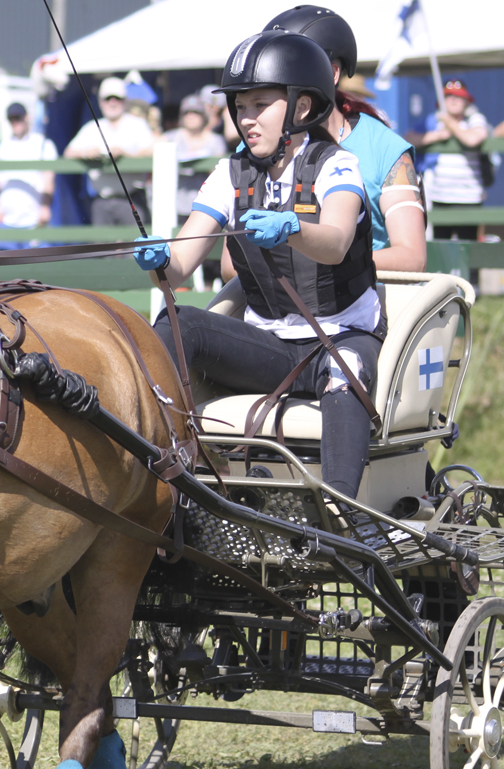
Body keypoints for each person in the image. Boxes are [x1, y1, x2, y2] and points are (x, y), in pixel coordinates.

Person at [136, 31, 381, 503]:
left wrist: (292, 227)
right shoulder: (230, 174)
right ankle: (154, 474)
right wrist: (160, 259)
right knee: (178, 322)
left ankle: (339, 515)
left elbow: (335, 242)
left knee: (345, 369)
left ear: (301, 108)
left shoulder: (337, 165)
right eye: (240, 107)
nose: (246, 119)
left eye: (259, 105)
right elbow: (179, 268)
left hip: (340, 335)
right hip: (271, 344)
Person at [263, 5, 426, 271]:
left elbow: (412, 257)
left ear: (332, 72)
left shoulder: (384, 147)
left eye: (290, 66)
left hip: (370, 298)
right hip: (276, 300)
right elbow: (230, 264)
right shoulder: (261, 143)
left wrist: (321, 261)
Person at [64, 75, 156, 225]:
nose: (112, 103)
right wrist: (87, 153)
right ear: (100, 102)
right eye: (107, 99)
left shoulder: (138, 125)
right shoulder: (91, 127)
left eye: (117, 98)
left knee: (136, 246)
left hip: (132, 199)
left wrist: (126, 154)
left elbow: (152, 150)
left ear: (125, 101)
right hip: (101, 201)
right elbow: (68, 153)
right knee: (103, 247)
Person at [405, 79, 490, 240]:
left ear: (467, 101)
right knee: (441, 248)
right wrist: (436, 136)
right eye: (448, 96)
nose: (453, 100)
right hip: (439, 196)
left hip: (469, 197)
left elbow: (473, 139)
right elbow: (406, 138)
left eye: (458, 96)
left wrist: (450, 125)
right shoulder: (432, 122)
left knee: (468, 249)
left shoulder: (474, 119)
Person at [0, 101, 57, 248]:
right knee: (6, 267)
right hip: (7, 221)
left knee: (37, 267)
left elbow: (49, 179)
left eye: (18, 118)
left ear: (26, 117)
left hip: (34, 219)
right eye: (12, 119)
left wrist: (45, 207)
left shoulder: (43, 144)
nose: (15, 122)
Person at [163, 93, 228, 213]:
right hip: (176, 204)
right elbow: (148, 150)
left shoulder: (215, 140)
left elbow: (220, 173)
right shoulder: (170, 137)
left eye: (195, 112)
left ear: (203, 116)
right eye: (187, 113)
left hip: (207, 203)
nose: (191, 116)